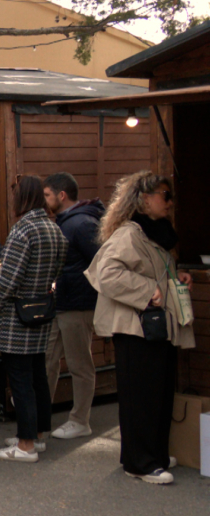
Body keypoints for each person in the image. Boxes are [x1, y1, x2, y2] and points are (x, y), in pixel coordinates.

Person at [86, 171, 193, 485]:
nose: (169, 202)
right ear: (144, 199)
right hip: (136, 328)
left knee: (157, 395)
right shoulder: (131, 233)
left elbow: (154, 272)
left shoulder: (152, 233)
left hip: (153, 327)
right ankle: (140, 462)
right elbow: (104, 273)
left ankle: (153, 456)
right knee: (142, 397)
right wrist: (147, 290)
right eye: (163, 194)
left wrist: (176, 278)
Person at [0, 176, 67, 462]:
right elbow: (57, 271)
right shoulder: (53, 227)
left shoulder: (24, 229)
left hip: (16, 314)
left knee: (20, 379)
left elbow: (8, 278)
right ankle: (37, 434)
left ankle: (26, 444)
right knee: (37, 376)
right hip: (41, 308)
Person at [43, 172, 105, 440]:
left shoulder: (81, 224)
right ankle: (39, 418)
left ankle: (80, 420)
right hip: (62, 303)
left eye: (47, 195)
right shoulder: (68, 222)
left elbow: (102, 264)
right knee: (47, 359)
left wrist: (69, 283)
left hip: (78, 304)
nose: (44, 201)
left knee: (80, 364)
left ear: (61, 195)